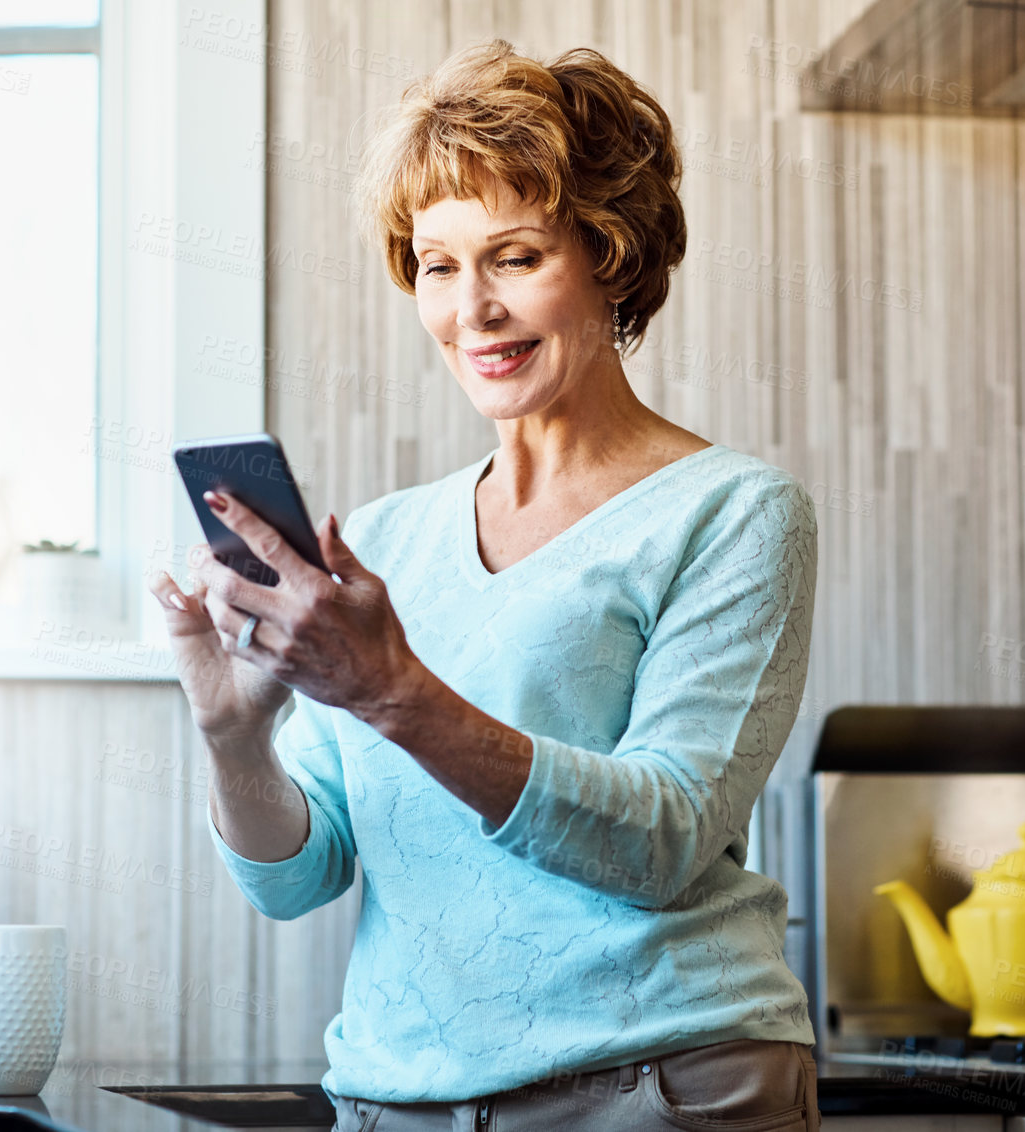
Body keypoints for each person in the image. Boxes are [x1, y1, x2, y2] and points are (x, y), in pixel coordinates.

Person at [149, 37, 821, 1132]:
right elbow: (295, 877)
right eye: (438, 264)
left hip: (656, 1089)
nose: (472, 309)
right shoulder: (383, 540)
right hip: (397, 1099)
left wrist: (387, 691)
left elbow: (662, 838)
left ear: (608, 254)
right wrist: (233, 736)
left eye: (513, 256)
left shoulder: (734, 513)